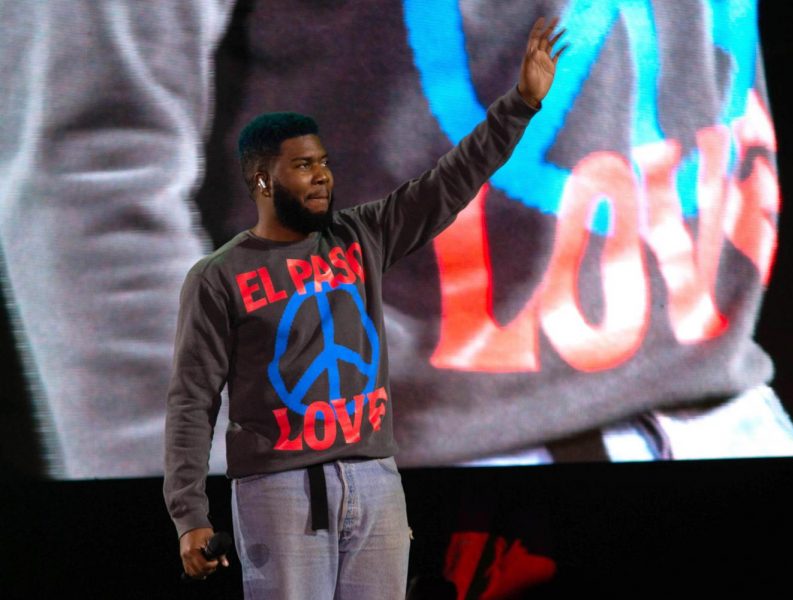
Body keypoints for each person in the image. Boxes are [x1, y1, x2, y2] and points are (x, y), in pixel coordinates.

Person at [163, 16, 566, 598]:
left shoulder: (361, 236)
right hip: (278, 488)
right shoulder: (218, 275)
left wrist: (520, 105)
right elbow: (192, 401)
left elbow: (449, 182)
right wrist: (189, 515)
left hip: (374, 476)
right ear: (260, 179)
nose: (322, 175)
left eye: (323, 162)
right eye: (303, 166)